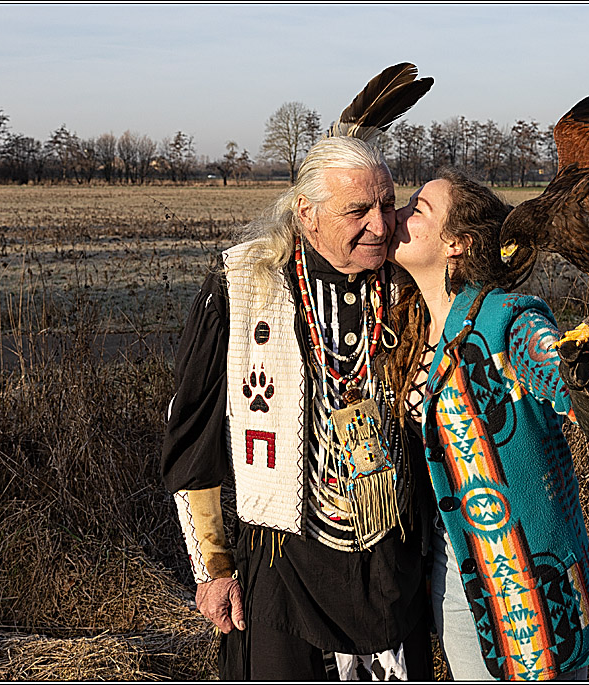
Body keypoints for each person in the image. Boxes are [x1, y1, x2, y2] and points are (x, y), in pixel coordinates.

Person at [161, 135, 432, 681]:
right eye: (357, 211)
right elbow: (195, 442)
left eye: (387, 203)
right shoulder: (242, 287)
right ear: (306, 213)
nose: (381, 226)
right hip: (285, 565)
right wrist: (212, 567)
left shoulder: (413, 284)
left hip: (390, 568)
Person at [382, 168, 589, 680]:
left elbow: (551, 368)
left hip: (532, 585)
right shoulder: (405, 329)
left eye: (417, 210)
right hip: (453, 586)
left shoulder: (509, 320)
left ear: (457, 245)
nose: (397, 215)